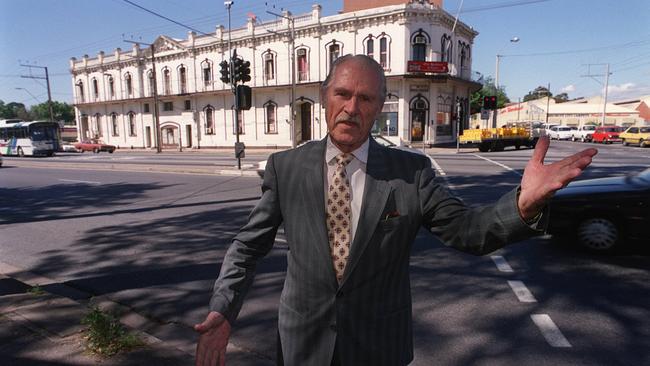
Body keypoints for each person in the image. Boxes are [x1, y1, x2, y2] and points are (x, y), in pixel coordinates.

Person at [194, 54, 597, 366]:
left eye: (365, 98)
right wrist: (222, 310)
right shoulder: (287, 168)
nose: (352, 107)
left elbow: (467, 231)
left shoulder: (412, 173)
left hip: (379, 347)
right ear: (324, 98)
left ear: (379, 106)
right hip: (303, 346)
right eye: (343, 94)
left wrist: (522, 204)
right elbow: (248, 247)